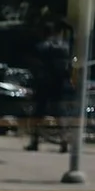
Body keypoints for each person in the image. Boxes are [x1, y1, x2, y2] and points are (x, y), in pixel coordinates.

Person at [26, 20, 75, 152]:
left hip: (44, 84)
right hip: (59, 84)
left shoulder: (42, 46)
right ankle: (64, 141)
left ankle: (34, 141)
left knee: (38, 113)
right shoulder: (65, 47)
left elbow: (36, 66)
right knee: (60, 114)